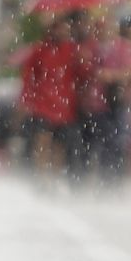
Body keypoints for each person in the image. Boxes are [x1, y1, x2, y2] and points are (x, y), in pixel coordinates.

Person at [18, 15, 81, 184]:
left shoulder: (73, 50)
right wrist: (27, 99)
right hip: (43, 104)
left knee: (60, 145)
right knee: (43, 141)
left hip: (65, 107)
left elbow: (81, 74)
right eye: (60, 29)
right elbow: (29, 76)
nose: (63, 32)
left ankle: (54, 178)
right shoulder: (40, 50)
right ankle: (42, 177)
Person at [77, 14, 131, 186]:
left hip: (116, 101)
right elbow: (82, 69)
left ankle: (112, 181)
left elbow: (130, 71)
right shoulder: (89, 47)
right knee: (91, 144)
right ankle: (89, 180)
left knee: (115, 143)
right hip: (93, 103)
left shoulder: (124, 47)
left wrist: (110, 76)